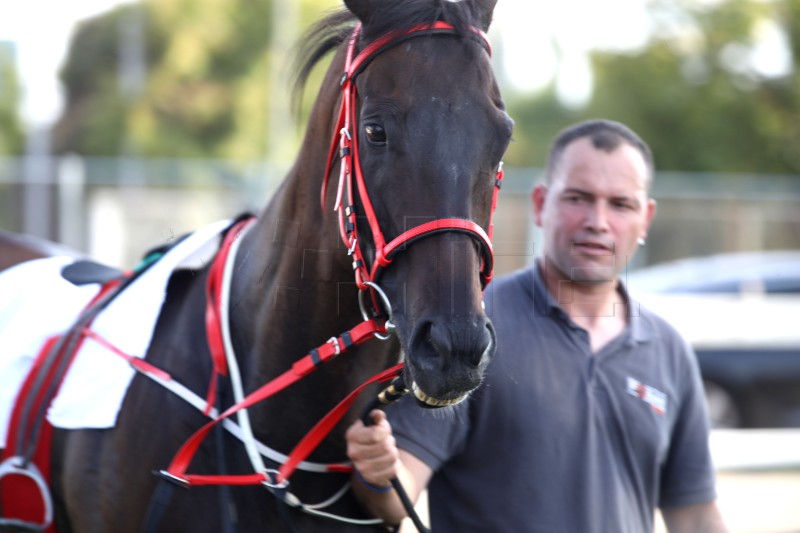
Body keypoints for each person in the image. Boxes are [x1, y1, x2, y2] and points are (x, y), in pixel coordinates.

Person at [345, 119, 729, 532]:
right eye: (578, 198)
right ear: (541, 203)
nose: (597, 221)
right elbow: (396, 496)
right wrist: (377, 469)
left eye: (620, 204)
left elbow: (694, 516)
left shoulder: (667, 350)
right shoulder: (471, 332)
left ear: (646, 219)